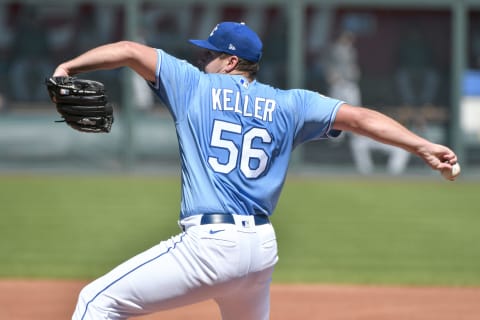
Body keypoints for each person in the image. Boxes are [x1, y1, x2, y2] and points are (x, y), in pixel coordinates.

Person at [50, 21, 458, 320]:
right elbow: (360, 118)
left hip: (209, 246)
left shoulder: (192, 85)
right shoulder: (290, 103)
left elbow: (128, 49)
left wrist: (68, 68)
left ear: (230, 62)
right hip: (260, 249)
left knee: (95, 302)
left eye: (209, 54)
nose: (200, 58)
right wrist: (421, 145)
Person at [326, 31, 410, 175]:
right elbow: (328, 65)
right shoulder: (334, 50)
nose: (349, 40)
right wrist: (332, 74)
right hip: (341, 85)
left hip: (351, 87)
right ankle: (336, 140)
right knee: (339, 115)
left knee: (354, 116)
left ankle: (390, 177)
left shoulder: (351, 51)